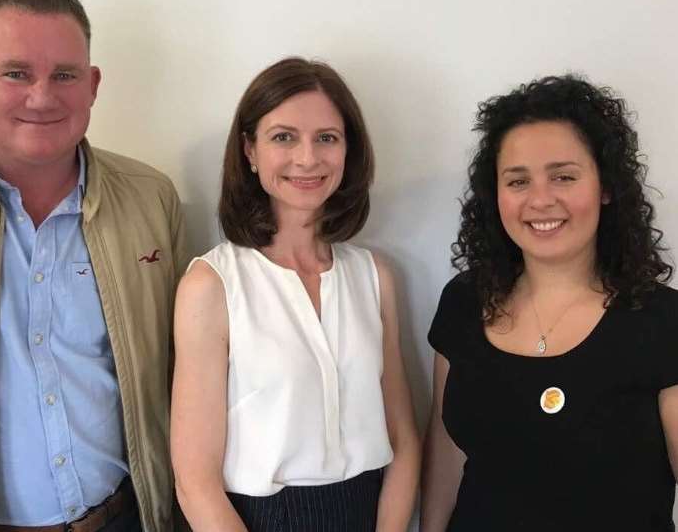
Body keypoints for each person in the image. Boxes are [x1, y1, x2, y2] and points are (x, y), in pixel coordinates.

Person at [0, 0, 186, 532]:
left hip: (125, 518)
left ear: (92, 85)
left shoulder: (153, 199)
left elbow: (181, 374)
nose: (42, 96)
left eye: (64, 74)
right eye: (16, 73)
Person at [170, 57, 420, 531]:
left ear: (349, 151)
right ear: (250, 150)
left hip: (368, 512)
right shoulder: (212, 285)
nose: (307, 158)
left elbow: (403, 441)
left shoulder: (374, 276)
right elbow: (194, 482)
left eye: (327, 138)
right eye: (284, 137)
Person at [419, 75, 678, 531]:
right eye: (517, 181)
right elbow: (446, 454)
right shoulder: (463, 301)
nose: (540, 199)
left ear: (606, 187)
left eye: (563, 176)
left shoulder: (663, 322)